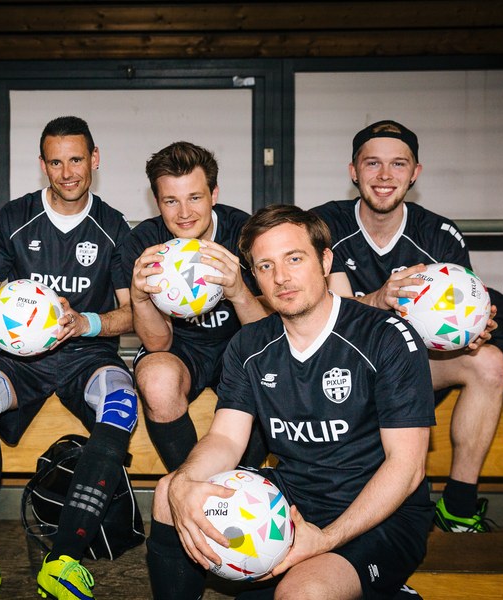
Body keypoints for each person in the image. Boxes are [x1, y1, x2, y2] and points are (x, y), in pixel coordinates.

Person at [146, 204, 435, 600]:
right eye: (265, 266)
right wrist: (182, 483)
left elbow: (408, 466)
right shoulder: (249, 344)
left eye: (294, 259)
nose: (280, 277)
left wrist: (327, 539)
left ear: (325, 261)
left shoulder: (385, 336)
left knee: (302, 593)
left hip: (379, 514)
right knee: (169, 493)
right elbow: (226, 439)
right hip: (294, 498)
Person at [0, 116, 137, 600]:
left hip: (87, 353)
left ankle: (63, 562)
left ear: (95, 159)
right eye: (56, 162)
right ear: (43, 165)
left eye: (77, 159)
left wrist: (83, 322)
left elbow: (130, 314)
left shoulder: (113, 227)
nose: (67, 172)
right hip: (21, 356)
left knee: (121, 401)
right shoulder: (15, 217)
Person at [312, 119, 503, 533]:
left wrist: (472, 330)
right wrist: (378, 299)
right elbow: (326, 317)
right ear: (353, 171)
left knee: (489, 362)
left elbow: (463, 310)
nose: (385, 175)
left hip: (413, 366)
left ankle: (458, 507)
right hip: (342, 367)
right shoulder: (325, 224)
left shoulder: (438, 234)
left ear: (415, 173)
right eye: (372, 163)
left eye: (398, 164)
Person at [122, 141, 269, 473]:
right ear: (157, 202)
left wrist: (239, 292)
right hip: (181, 348)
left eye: (194, 198)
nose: (184, 213)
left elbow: (267, 335)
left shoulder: (247, 234)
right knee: (156, 379)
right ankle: (189, 484)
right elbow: (158, 344)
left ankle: (235, 481)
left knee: (272, 374)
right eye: (171, 201)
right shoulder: (143, 244)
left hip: (240, 345)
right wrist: (140, 297)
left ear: (214, 194)